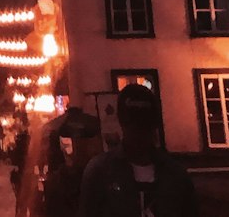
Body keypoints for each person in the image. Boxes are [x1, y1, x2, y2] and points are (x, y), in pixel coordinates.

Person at [79, 84, 198, 217]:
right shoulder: (100, 171)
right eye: (133, 126)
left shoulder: (176, 175)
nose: (139, 134)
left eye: (144, 125)